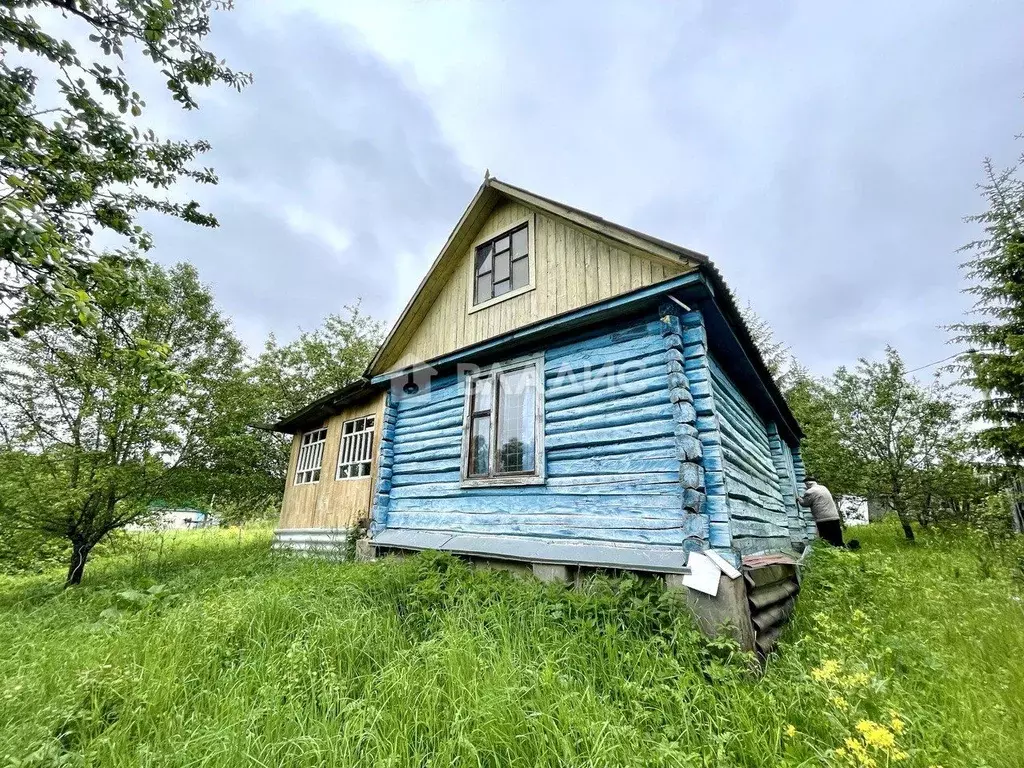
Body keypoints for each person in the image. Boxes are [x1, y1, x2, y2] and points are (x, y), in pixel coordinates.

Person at [796, 476, 845, 547]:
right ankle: (841, 550)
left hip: (823, 519)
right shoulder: (823, 488)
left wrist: (799, 499)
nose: (805, 487)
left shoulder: (810, 491)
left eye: (805, 485)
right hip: (834, 516)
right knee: (837, 538)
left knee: (826, 539)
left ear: (808, 484)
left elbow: (805, 503)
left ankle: (828, 552)